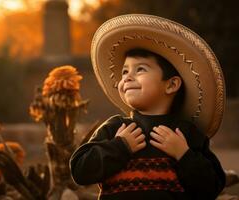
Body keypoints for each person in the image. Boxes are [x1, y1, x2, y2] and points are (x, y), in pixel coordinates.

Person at [70, 14, 226, 200]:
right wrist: (119, 146)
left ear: (171, 85)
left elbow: (212, 187)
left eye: (140, 69)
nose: (127, 77)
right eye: (125, 71)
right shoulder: (116, 129)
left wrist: (183, 155)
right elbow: (80, 171)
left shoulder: (185, 135)